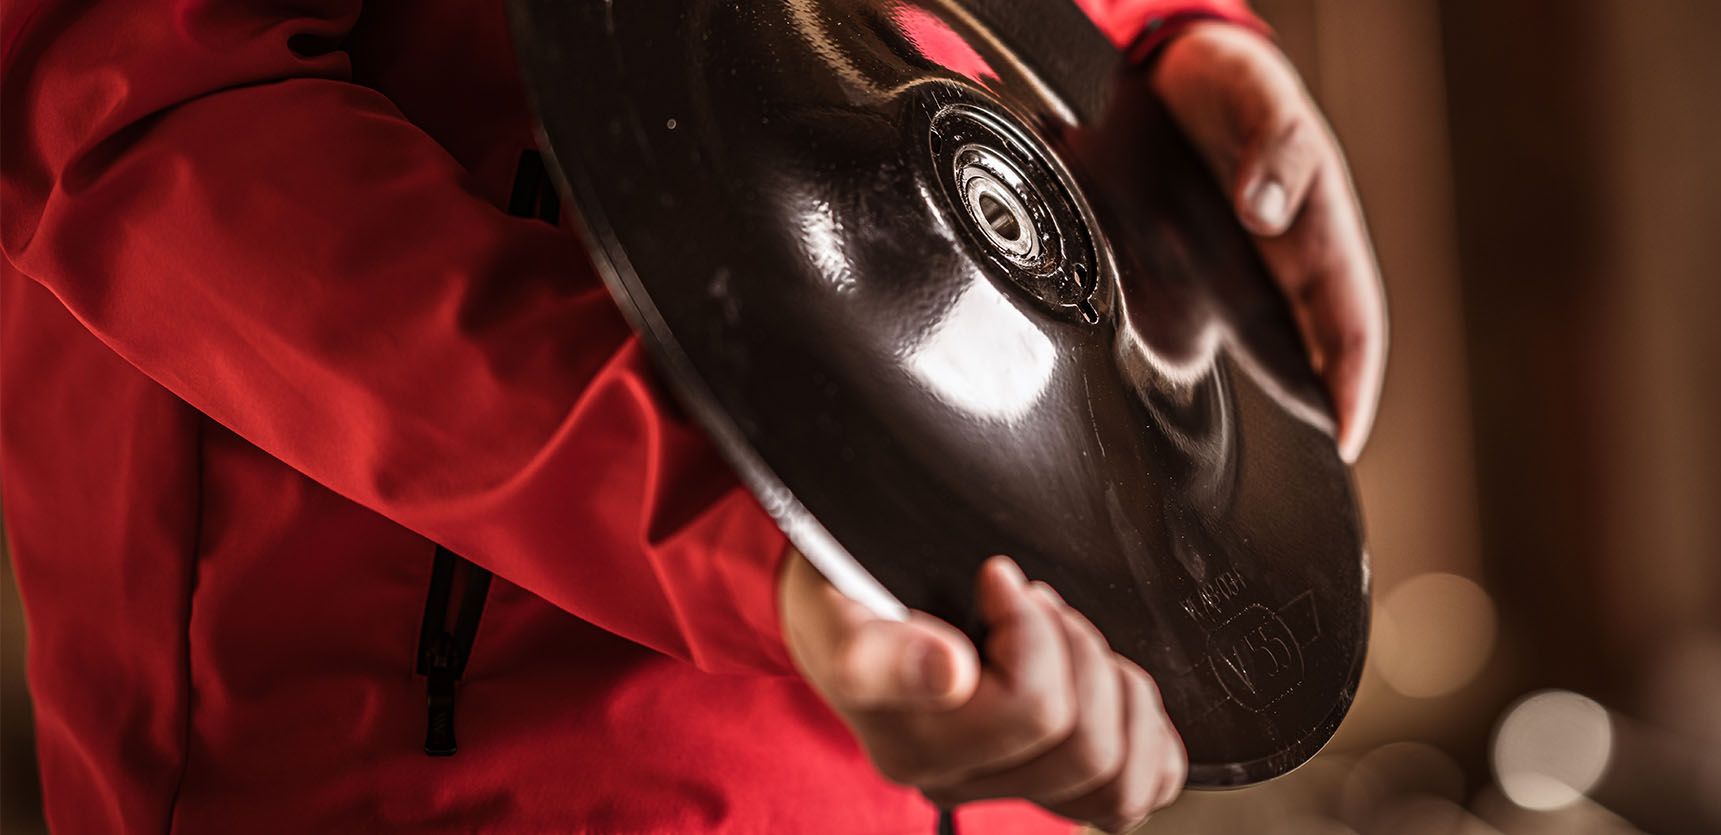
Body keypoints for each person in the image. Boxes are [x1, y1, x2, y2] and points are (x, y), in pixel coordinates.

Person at [0, 0, 1386, 832]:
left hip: (990, 716)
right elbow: (140, 98)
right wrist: (768, 520)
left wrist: (1140, 56)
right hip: (473, 769)